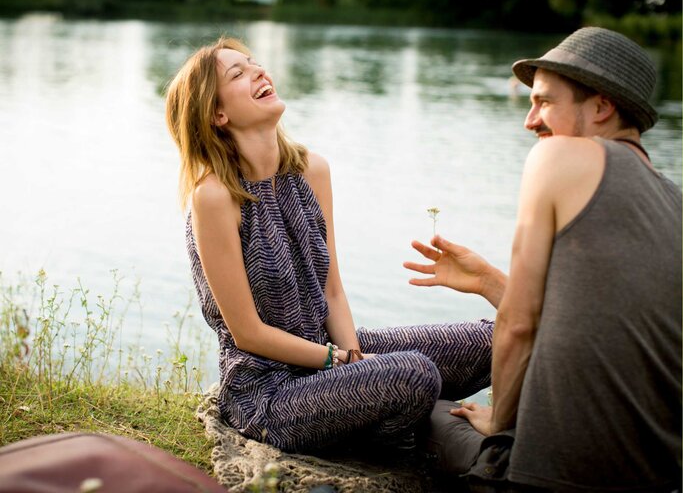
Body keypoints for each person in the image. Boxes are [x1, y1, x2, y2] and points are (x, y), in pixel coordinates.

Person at [164, 37, 494, 454]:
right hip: (268, 393)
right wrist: (338, 363)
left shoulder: (312, 170)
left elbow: (332, 290)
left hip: (331, 354)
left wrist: (353, 360)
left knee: (492, 341)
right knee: (415, 374)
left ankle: (385, 414)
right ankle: (400, 426)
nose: (260, 73)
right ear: (217, 114)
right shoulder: (213, 198)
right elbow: (246, 333)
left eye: (255, 64)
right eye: (239, 74)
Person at [405, 27, 682, 492]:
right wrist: (491, 281)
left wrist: (501, 422)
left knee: (413, 402)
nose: (530, 120)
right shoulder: (674, 202)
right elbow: (607, 321)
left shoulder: (558, 158)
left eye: (546, 102)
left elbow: (519, 326)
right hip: (656, 477)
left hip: (550, 475)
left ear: (600, 106)